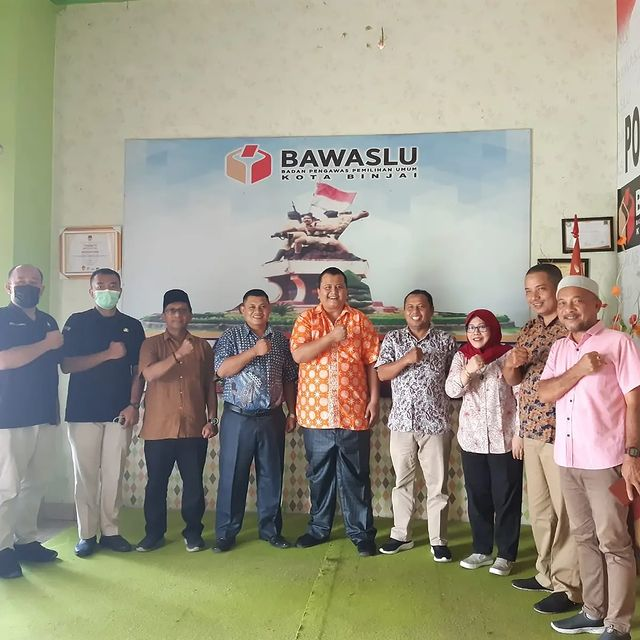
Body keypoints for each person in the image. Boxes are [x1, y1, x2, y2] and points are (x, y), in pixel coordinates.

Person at [539, 276, 640, 640]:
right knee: (584, 537)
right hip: (568, 459)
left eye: (577, 301)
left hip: (607, 462)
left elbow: (634, 402)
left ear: (598, 305)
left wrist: (632, 455)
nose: (568, 309)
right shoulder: (559, 348)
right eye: (563, 302)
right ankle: (593, 612)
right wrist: (580, 369)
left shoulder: (619, 342)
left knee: (614, 542)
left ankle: (618, 624)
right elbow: (545, 392)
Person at [502, 263, 581, 614]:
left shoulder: (572, 328)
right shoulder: (530, 328)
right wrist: (512, 363)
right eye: (528, 291)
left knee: (567, 513)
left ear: (557, 290)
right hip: (532, 430)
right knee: (541, 511)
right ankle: (546, 573)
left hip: (563, 433)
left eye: (541, 290)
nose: (534, 297)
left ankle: (569, 586)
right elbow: (514, 381)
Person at [290, 267, 380, 557]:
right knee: (319, 476)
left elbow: (372, 362)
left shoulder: (360, 320)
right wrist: (331, 337)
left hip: (353, 412)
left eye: (339, 287)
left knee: (356, 476)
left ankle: (361, 534)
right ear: (318, 291)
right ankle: (318, 529)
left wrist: (374, 400)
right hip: (315, 414)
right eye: (328, 287)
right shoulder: (306, 319)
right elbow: (299, 355)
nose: (333, 292)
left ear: (346, 291)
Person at [61, 268, 146, 557]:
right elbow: (67, 365)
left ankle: (110, 531)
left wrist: (133, 404)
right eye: (101, 286)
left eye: (112, 285)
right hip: (82, 411)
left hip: (119, 412)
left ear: (120, 290)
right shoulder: (77, 322)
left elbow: (138, 372)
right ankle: (86, 534)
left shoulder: (132, 326)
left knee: (113, 475)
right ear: (91, 291)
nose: (107, 290)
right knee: (85, 476)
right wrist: (108, 355)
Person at [213, 289, 298, 552]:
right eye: (252, 306)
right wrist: (254, 351)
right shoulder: (231, 336)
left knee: (271, 475)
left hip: (272, 417)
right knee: (232, 476)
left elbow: (289, 378)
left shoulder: (281, 340)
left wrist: (292, 412)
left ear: (269, 309)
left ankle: (271, 530)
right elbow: (222, 370)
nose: (257, 311)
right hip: (238, 418)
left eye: (262, 306)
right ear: (242, 309)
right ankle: (226, 533)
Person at [376, 289, 456, 562]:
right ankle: (401, 535)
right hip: (402, 423)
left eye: (421, 306)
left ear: (431, 310)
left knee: (438, 485)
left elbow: (454, 380)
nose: (415, 311)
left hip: (436, 423)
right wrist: (406, 359)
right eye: (410, 306)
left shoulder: (445, 340)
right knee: (402, 482)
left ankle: (438, 540)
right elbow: (382, 373)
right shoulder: (394, 339)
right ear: (404, 311)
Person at [136, 289, 217, 553]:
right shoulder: (151, 345)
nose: (177, 315)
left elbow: (209, 385)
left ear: (190, 315)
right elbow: (149, 374)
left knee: (193, 485)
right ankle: (154, 534)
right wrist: (178, 355)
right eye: (172, 311)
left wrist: (213, 419)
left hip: (194, 428)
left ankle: (193, 533)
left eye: (182, 310)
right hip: (158, 429)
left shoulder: (202, 346)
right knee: (156, 485)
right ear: (164, 315)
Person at [445, 309, 523, 576]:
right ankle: (481, 550)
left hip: (505, 440)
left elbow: (521, 395)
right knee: (478, 497)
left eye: (482, 327)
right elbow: (452, 390)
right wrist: (468, 370)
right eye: (471, 327)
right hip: (472, 440)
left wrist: (520, 434)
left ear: (493, 329)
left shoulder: (508, 355)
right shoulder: (462, 356)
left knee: (506, 498)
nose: (476, 332)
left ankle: (506, 555)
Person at [0, 265, 63, 579]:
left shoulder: (48, 321)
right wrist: (46, 344)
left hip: (45, 415)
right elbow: (4, 360)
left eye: (33, 281)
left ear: (42, 287)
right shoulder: (2, 318)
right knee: (7, 486)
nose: (27, 286)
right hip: (11, 416)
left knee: (35, 483)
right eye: (20, 281)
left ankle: (25, 541)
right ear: (8, 286)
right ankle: (2, 549)